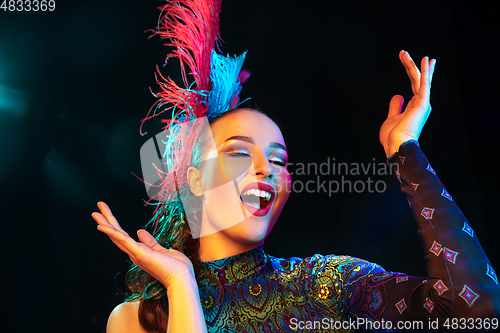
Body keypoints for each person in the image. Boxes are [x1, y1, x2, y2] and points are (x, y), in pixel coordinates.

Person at [92, 1, 500, 332]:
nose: (264, 169)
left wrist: (405, 149)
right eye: (238, 152)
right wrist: (181, 285)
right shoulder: (139, 319)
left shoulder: (328, 286)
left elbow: (473, 310)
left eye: (278, 160)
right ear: (195, 180)